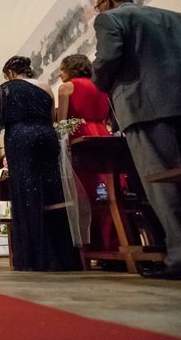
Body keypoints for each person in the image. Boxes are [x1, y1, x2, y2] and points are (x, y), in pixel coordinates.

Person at [92, 0, 181, 280]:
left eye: (97, 4)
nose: (98, 9)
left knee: (162, 182)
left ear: (107, 1)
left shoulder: (110, 18)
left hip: (146, 107)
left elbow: (108, 59)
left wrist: (101, 80)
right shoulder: (178, 17)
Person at [0, 56, 79, 271]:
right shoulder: (46, 86)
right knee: (52, 189)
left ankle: (35, 256)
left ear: (10, 73)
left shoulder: (8, 88)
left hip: (21, 137)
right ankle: (62, 254)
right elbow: (52, 116)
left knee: (27, 192)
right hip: (46, 135)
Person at [57, 53, 117, 251]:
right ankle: (115, 242)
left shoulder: (66, 87)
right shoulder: (102, 87)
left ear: (70, 70)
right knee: (110, 189)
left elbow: (63, 123)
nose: (59, 74)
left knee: (84, 193)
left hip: (81, 140)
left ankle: (92, 245)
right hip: (102, 136)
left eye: (62, 69)